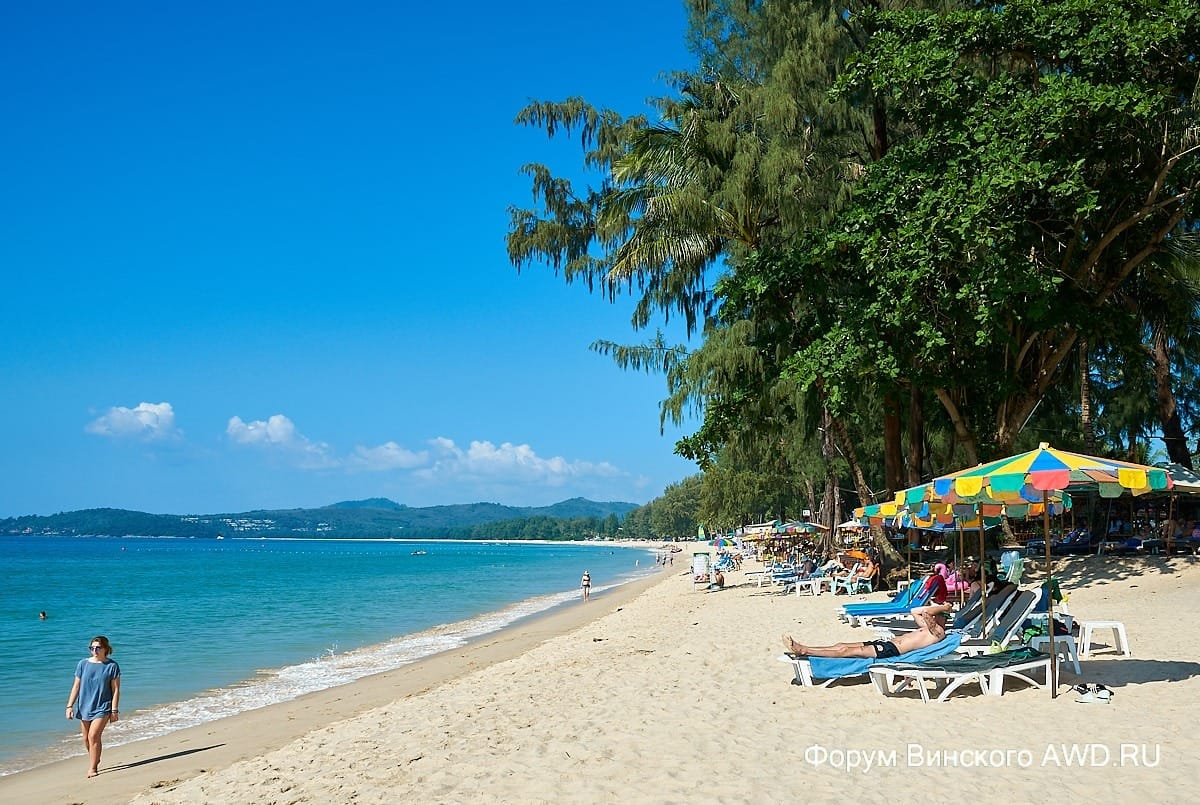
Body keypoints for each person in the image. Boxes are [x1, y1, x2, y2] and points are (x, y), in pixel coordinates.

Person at [782, 602, 952, 659]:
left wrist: (943, 607)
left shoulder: (938, 632)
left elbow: (925, 612)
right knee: (841, 644)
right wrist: (940, 607)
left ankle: (803, 650)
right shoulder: (927, 628)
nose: (938, 617)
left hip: (891, 651)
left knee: (845, 651)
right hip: (886, 645)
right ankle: (804, 647)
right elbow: (914, 610)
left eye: (941, 616)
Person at [66, 635, 121, 778]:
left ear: (106, 649)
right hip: (84, 706)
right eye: (92, 648)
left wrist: (114, 710)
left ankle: (93, 767)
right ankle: (95, 757)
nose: (95, 650)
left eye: (98, 648)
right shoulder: (83, 664)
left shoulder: (112, 666)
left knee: (94, 736)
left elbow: (115, 690)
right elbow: (76, 686)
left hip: (103, 707)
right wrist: (69, 706)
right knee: (86, 739)